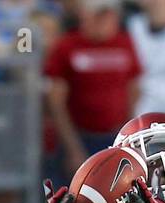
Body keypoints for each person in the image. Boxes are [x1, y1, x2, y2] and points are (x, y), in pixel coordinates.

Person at [43, 0, 141, 182]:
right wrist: (73, 148)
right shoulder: (67, 47)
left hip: (114, 137)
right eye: (101, 14)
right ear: (85, 16)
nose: (107, 20)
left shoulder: (124, 43)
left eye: (110, 14)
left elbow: (134, 89)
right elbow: (56, 102)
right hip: (80, 137)